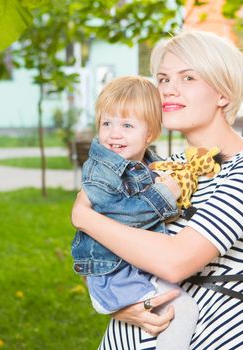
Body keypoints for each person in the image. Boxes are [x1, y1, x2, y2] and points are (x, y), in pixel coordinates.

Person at [71, 31, 243, 349]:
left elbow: (176, 261)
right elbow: (94, 257)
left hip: (216, 334)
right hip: (128, 338)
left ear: (223, 93)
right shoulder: (159, 168)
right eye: (163, 78)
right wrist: (121, 304)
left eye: (187, 78)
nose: (169, 89)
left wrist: (83, 216)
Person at [71, 75, 198, 350]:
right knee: (182, 311)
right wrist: (165, 194)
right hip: (115, 273)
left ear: (149, 134)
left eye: (127, 125)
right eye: (107, 123)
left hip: (134, 266)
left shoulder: (149, 165)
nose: (114, 133)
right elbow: (122, 215)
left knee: (177, 310)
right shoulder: (100, 170)